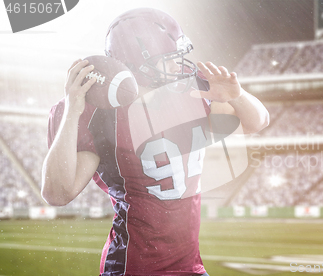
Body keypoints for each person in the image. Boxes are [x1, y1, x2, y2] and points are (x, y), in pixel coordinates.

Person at [41, 8, 269, 276]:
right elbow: (58, 193)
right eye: (168, 60)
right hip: (134, 267)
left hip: (190, 266)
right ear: (137, 63)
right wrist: (72, 113)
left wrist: (237, 95)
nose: (178, 65)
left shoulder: (193, 94)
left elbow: (257, 122)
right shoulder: (100, 116)